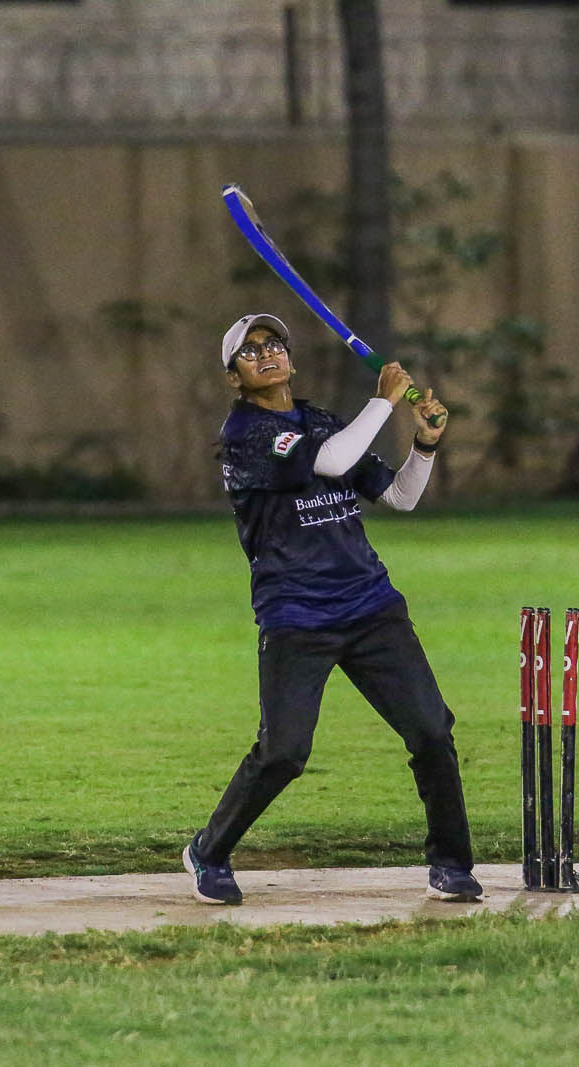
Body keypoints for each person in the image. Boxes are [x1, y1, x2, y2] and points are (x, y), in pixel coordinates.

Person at [182, 312, 483, 905]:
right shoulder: (246, 434)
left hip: (371, 606)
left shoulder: (319, 420)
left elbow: (398, 496)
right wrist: (385, 402)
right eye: (250, 351)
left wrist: (424, 443)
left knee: (431, 731)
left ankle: (451, 864)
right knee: (284, 753)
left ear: (291, 359)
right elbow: (330, 463)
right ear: (234, 377)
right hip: (297, 616)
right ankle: (208, 852)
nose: (267, 353)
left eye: (274, 344)